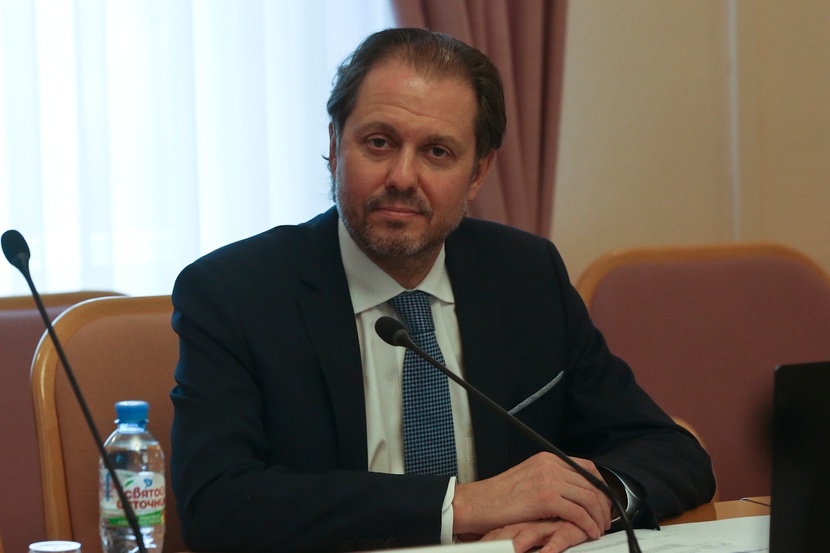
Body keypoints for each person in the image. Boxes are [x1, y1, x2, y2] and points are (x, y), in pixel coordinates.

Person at [170, 27, 715, 553]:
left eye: (437, 152)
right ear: (335, 146)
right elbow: (215, 502)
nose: (403, 177)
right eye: (379, 143)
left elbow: (670, 451)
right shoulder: (234, 293)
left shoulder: (526, 276)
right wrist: (460, 505)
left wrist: (592, 501)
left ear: (477, 172)